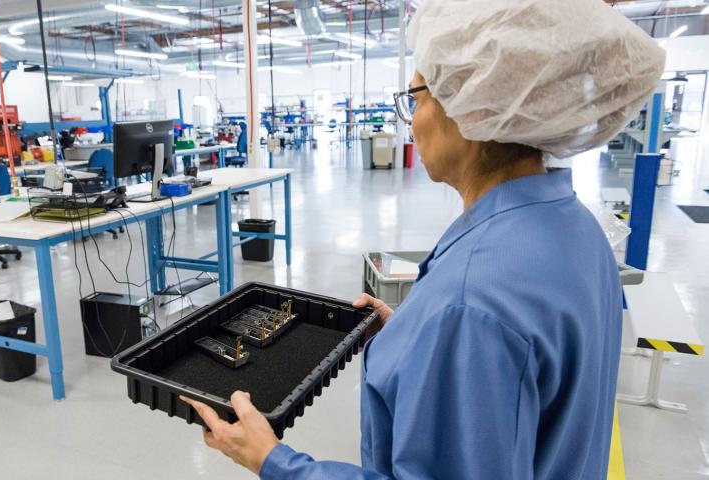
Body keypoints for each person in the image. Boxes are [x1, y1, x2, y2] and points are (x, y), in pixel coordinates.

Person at [182, 0, 665, 478]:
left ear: (470, 108)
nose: (409, 123)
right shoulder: (574, 227)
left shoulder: (470, 302)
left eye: (415, 99)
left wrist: (274, 462)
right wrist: (416, 334)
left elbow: (476, 326)